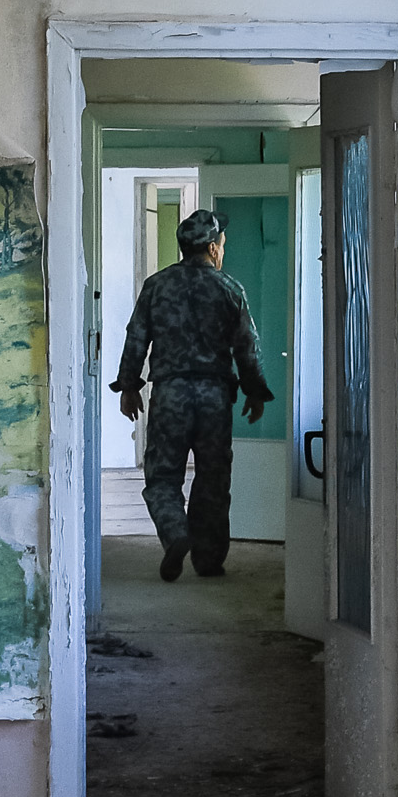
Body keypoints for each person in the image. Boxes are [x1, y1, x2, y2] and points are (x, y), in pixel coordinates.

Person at [113, 206, 272, 580]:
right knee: (213, 479)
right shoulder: (229, 289)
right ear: (213, 248)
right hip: (214, 397)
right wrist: (254, 391)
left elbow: (136, 337)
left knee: (162, 475)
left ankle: (175, 533)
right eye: (223, 243)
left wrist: (129, 385)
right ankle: (209, 560)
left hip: (171, 395)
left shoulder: (156, 286)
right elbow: (247, 347)